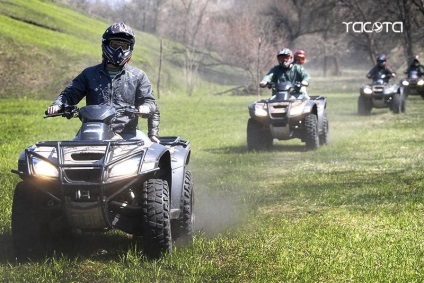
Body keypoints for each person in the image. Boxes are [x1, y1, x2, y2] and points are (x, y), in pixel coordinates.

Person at [47, 22, 160, 143]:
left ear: (130, 48)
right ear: (106, 44)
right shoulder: (89, 74)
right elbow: (69, 94)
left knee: (149, 153)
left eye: (124, 46)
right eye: (115, 45)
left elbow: (150, 102)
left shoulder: (138, 76)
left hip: (127, 133)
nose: (120, 50)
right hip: (92, 132)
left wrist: (146, 107)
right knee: (66, 156)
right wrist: (58, 105)